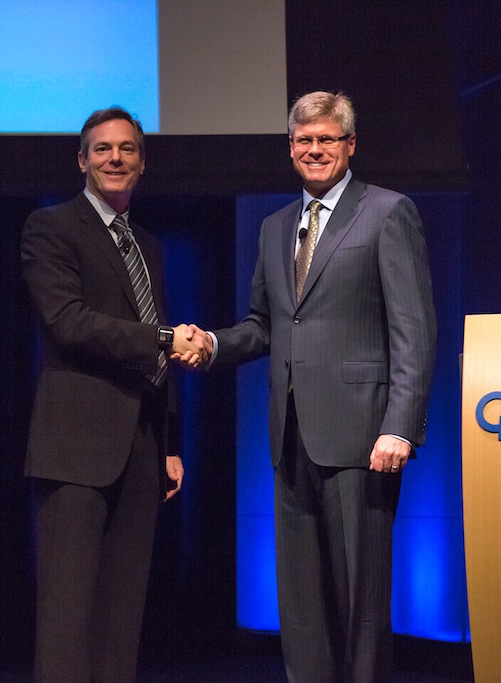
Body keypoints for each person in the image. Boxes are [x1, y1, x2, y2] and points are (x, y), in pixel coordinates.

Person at [185, 91, 437, 682]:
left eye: (327, 139)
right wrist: (214, 344)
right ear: (290, 148)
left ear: (350, 144)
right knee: (300, 606)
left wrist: (401, 426)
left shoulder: (388, 212)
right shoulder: (275, 227)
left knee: (360, 601)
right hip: (290, 436)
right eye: (304, 140)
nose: (315, 149)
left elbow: (414, 328)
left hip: (363, 439)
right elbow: (264, 324)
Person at [21, 106, 209, 683]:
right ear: (82, 161)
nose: (115, 159)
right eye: (102, 149)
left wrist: (169, 442)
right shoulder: (51, 227)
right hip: (75, 450)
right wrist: (164, 338)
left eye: (127, 149)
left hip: (141, 449)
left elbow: (155, 343)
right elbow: (69, 322)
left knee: (121, 618)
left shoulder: (147, 245)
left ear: (142, 163)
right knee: (68, 616)